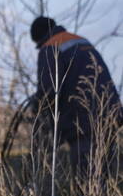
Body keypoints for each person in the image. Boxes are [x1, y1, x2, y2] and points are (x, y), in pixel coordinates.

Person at [28, 16, 122, 177]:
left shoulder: (49, 48)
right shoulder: (82, 41)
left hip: (83, 123)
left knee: (86, 181)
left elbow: (49, 90)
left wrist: (35, 107)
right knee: (105, 178)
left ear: (39, 38)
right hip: (110, 118)